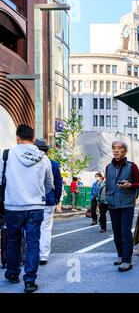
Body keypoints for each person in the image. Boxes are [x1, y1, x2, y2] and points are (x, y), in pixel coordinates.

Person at [0, 125, 54, 293]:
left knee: (13, 241)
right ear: (33, 138)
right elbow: (49, 184)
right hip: (35, 207)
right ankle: (29, 281)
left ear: (18, 137)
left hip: (12, 206)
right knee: (32, 243)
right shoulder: (43, 158)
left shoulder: (7, 155)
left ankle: (13, 273)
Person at [105, 140, 139, 272]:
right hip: (113, 203)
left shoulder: (132, 166)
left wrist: (130, 185)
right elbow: (108, 184)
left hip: (127, 203)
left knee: (125, 232)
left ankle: (127, 260)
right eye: (114, 148)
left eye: (119, 148)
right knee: (116, 232)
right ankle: (120, 255)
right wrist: (107, 197)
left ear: (125, 151)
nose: (116, 150)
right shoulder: (108, 167)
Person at [34, 139, 63, 267]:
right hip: (48, 200)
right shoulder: (54, 164)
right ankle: (43, 256)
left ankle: (31, 254)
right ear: (48, 150)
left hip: (32, 201)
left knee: (31, 228)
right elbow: (58, 183)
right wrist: (56, 199)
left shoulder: (32, 162)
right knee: (45, 229)